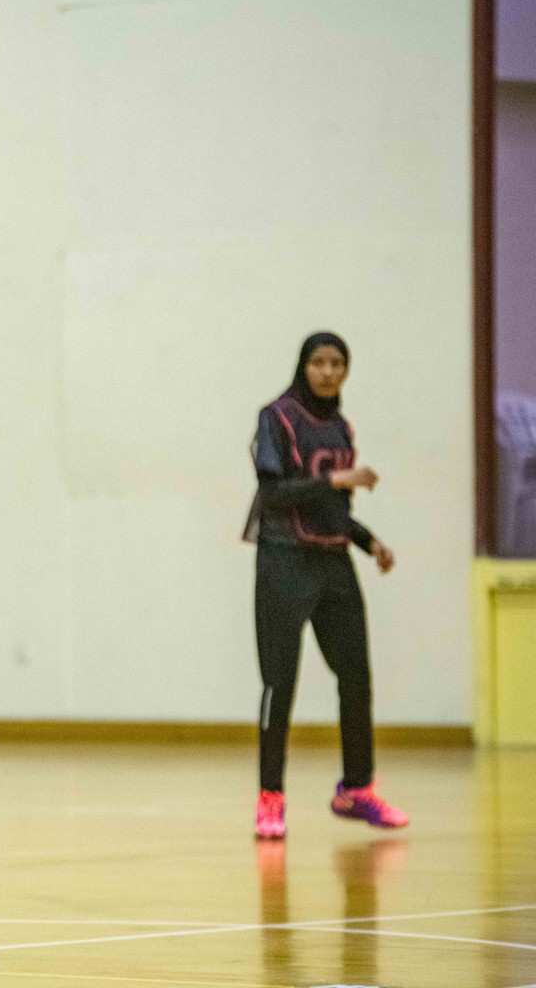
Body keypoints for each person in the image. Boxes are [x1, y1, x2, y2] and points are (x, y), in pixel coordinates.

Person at [244, 332, 408, 840]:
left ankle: (356, 790)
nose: (328, 371)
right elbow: (273, 494)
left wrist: (368, 541)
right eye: (319, 362)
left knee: (356, 675)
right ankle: (271, 799)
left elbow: (333, 510)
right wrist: (336, 482)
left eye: (338, 363)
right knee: (280, 682)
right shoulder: (277, 417)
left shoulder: (340, 427)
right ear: (303, 365)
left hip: (332, 564)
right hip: (284, 561)